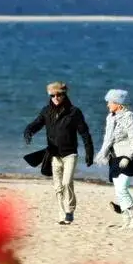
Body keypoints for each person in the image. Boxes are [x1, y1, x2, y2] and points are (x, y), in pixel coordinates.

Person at [24, 82, 94, 225]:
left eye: (59, 95)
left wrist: (89, 152)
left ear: (64, 94)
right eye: (52, 95)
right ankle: (62, 215)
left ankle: (70, 210)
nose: (56, 97)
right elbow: (37, 123)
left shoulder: (74, 112)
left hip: (70, 154)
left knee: (67, 182)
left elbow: (85, 133)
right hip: (54, 155)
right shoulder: (46, 111)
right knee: (58, 187)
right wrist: (28, 131)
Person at [94, 89, 133, 230]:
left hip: (128, 158)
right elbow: (107, 139)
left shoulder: (129, 116)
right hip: (114, 158)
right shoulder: (110, 117)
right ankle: (126, 219)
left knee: (122, 189)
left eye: (110, 102)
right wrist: (104, 153)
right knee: (118, 190)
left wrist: (128, 156)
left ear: (118, 103)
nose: (108, 105)